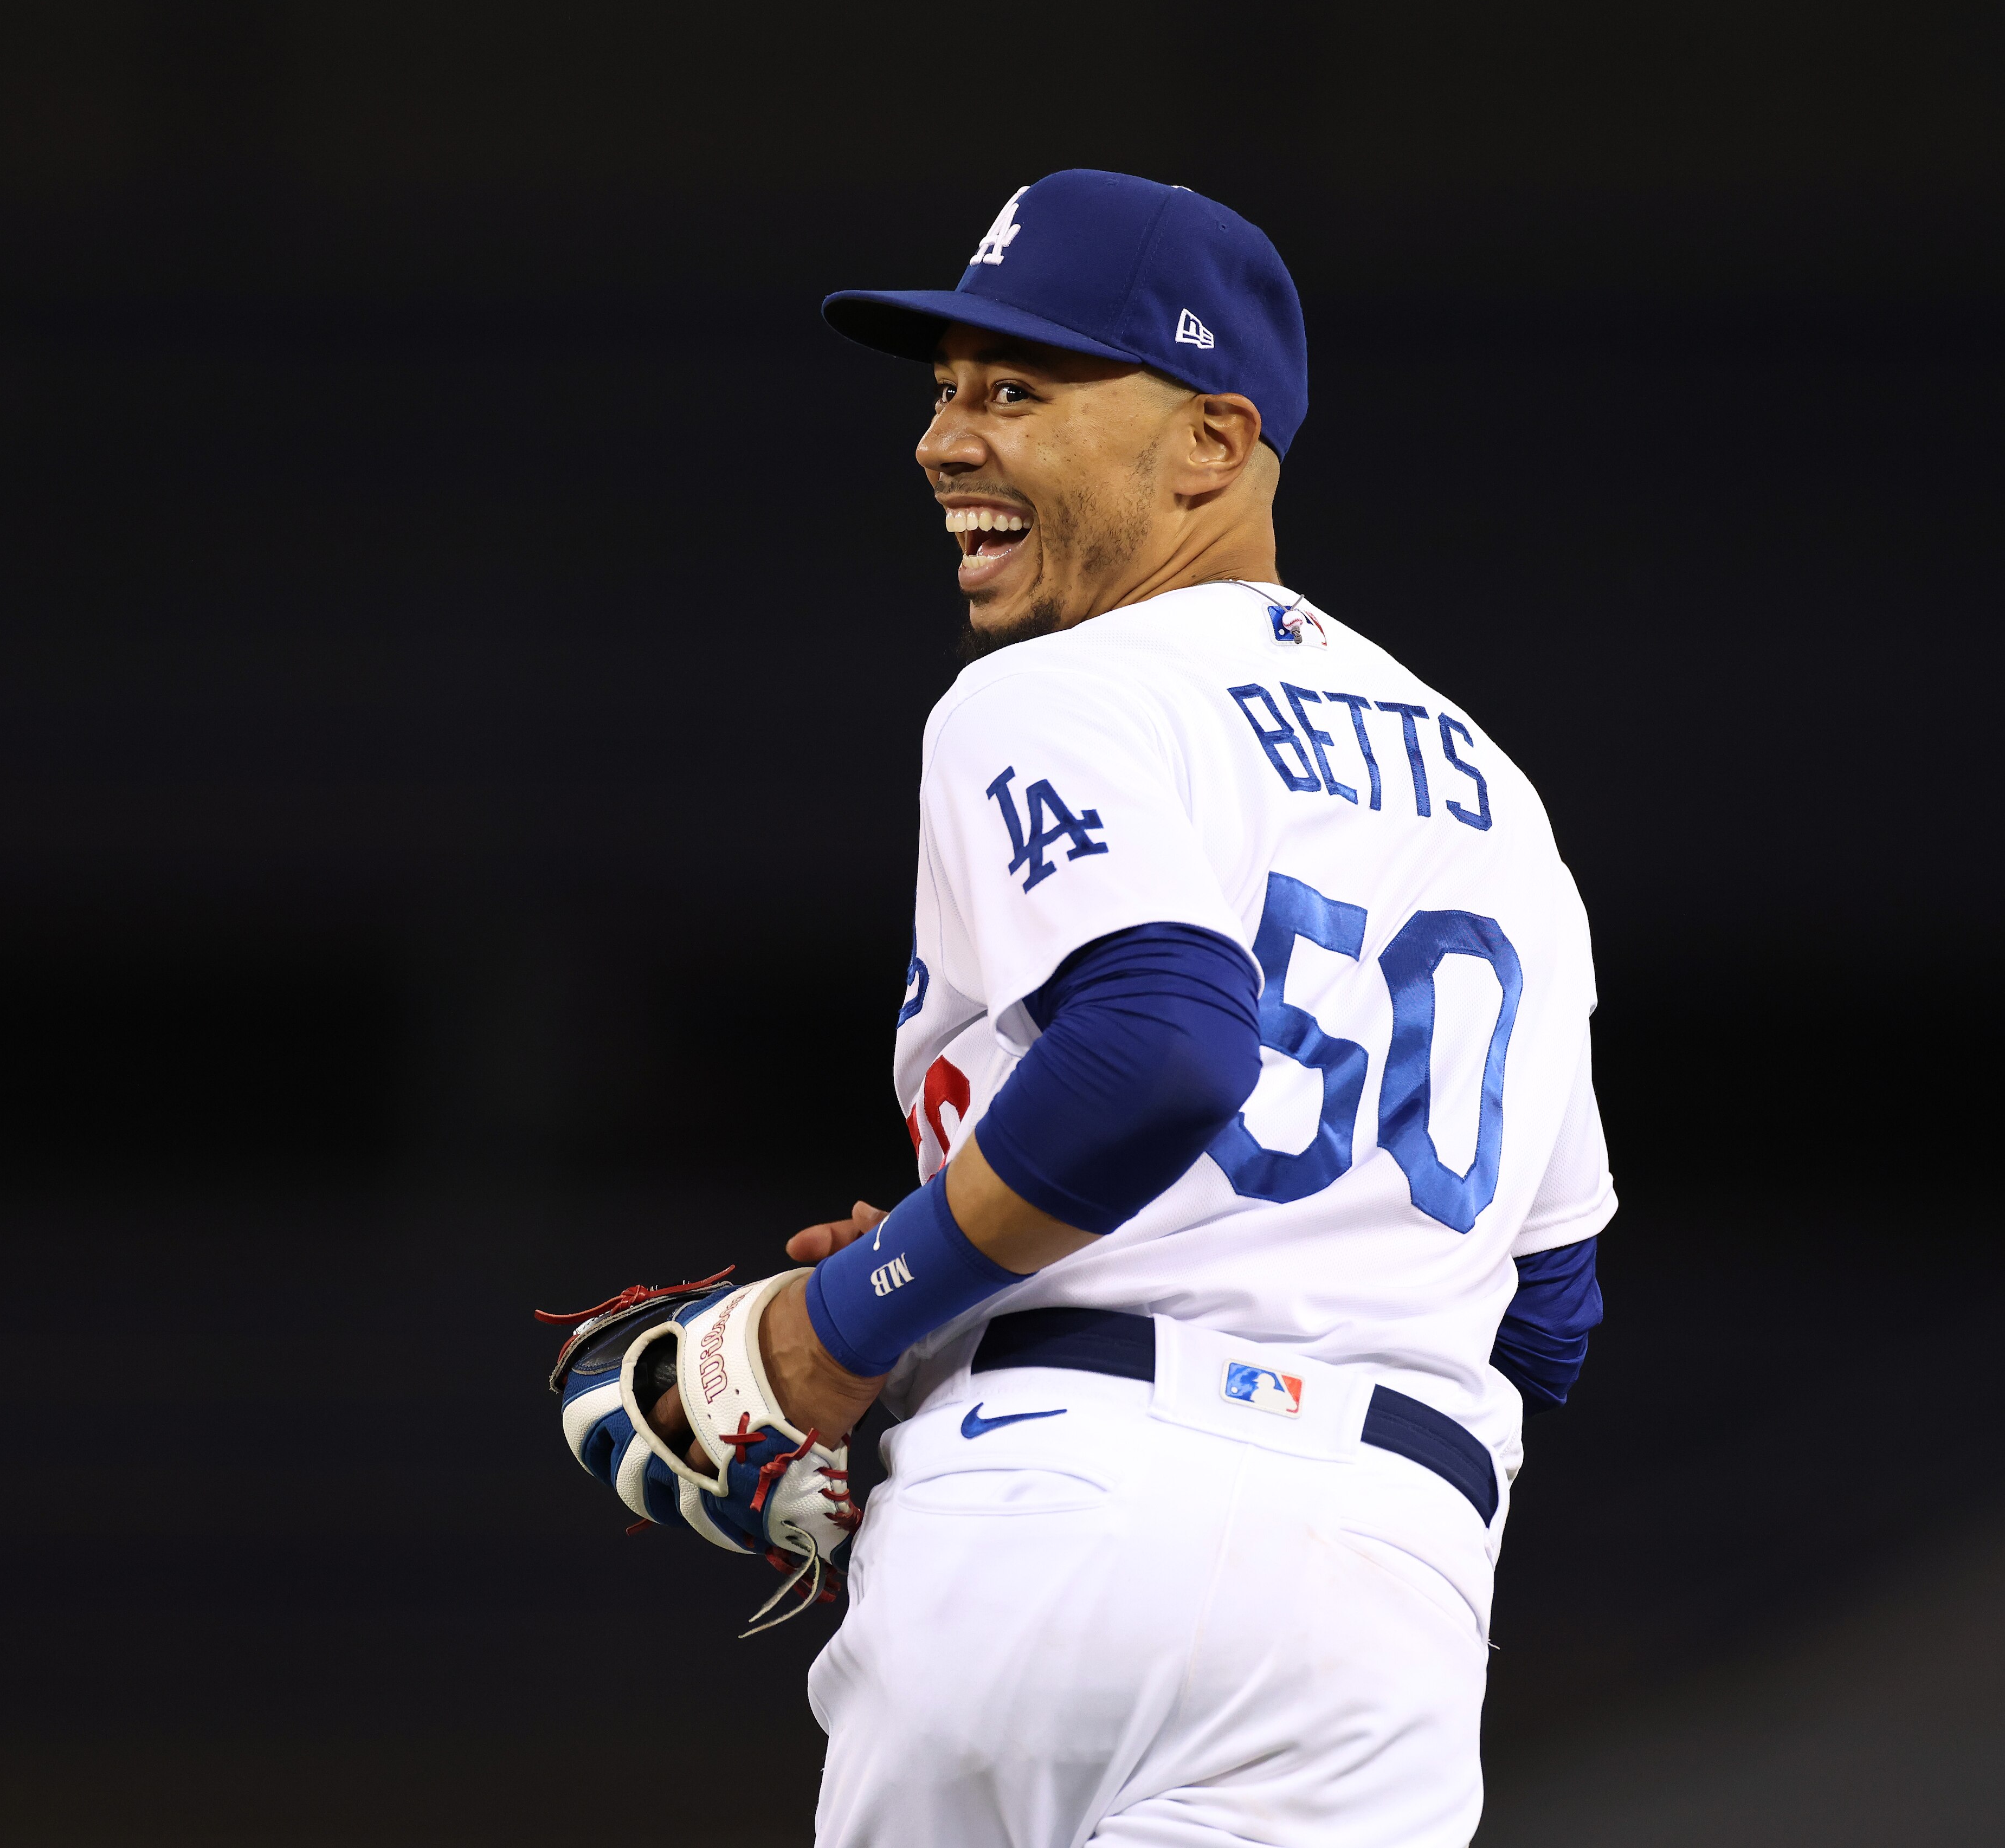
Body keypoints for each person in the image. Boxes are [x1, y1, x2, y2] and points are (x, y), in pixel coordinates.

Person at [656, 171, 1613, 1846]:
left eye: (1017, 391)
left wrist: (851, 1322)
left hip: (1054, 1501)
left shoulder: (1059, 689)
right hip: (1381, 1588)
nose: (943, 441)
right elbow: (1549, 1312)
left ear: (1213, 443)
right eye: (945, 390)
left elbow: (1160, 1051)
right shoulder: (1498, 794)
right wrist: (995, 1241)